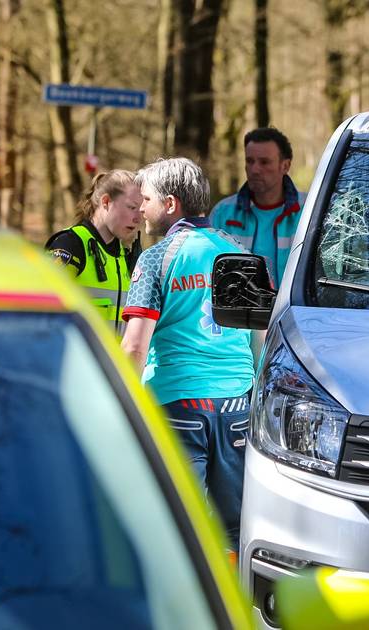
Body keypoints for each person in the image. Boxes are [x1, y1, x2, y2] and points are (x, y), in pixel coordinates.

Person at [121, 157, 254, 550]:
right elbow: (258, 335)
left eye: (146, 199)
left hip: (177, 403)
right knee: (235, 528)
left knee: (178, 525)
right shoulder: (239, 252)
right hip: (236, 405)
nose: (140, 208)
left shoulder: (156, 258)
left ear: (171, 204)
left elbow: (134, 346)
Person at [45, 170, 142, 333]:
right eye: (132, 207)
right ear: (106, 202)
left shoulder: (125, 255)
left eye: (141, 209)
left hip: (112, 358)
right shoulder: (70, 244)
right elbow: (44, 311)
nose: (138, 218)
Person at [210, 127, 305, 288]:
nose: (254, 170)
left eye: (264, 162)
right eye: (249, 161)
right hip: (237, 311)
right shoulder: (222, 213)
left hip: (295, 311)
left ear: (285, 166)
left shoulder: (309, 211)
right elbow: (207, 272)